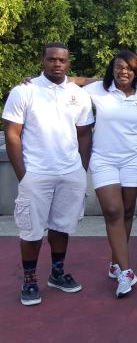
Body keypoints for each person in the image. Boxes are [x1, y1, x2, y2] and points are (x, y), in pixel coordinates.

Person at [3, 42, 93, 306]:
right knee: (31, 230)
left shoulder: (79, 94)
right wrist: (23, 175)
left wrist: (81, 169)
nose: (57, 64)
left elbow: (85, 133)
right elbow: (12, 133)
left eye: (62, 60)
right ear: (43, 61)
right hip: (36, 173)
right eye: (52, 59)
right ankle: (30, 281)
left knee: (62, 226)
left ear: (68, 63)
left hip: (69, 173)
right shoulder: (24, 91)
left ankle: (57, 273)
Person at [83, 50, 137, 297]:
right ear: (112, 69)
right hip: (103, 159)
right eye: (119, 67)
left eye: (129, 68)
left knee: (128, 211)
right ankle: (125, 271)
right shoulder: (98, 90)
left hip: (133, 158)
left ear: (136, 72)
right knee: (113, 211)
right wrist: (31, 82)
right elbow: (69, 84)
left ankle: (115, 263)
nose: (124, 71)